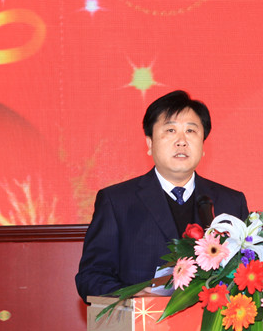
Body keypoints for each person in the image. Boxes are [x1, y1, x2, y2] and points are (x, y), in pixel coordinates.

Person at [75, 90, 248, 302]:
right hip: (143, 320)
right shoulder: (117, 202)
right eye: (170, 130)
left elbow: (247, 273)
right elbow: (91, 277)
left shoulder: (231, 203)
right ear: (150, 144)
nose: (182, 141)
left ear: (203, 145)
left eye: (191, 131)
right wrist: (132, 296)